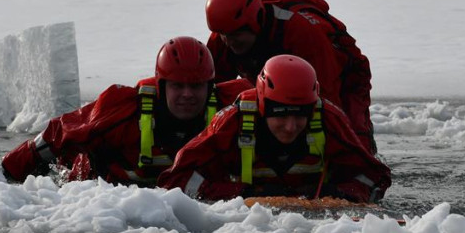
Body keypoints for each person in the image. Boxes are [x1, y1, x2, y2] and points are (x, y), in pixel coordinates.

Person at [1, 37, 251, 186]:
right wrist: (8, 172)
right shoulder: (123, 109)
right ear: (161, 86)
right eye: (178, 86)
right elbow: (59, 132)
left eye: (196, 86)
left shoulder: (232, 109)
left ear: (210, 87)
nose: (187, 94)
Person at [159, 55, 390, 202]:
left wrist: (339, 194)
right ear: (263, 105)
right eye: (281, 114)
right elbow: (176, 180)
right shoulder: (232, 123)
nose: (290, 127)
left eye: (300, 115)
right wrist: (242, 194)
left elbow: (374, 177)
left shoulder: (329, 119)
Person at [204, 0, 376, 153]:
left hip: (342, 76)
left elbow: (328, 101)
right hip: (274, 77)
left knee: (350, 141)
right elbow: (207, 91)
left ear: (255, 21)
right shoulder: (224, 33)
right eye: (223, 34)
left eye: (235, 35)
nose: (228, 42)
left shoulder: (302, 35)